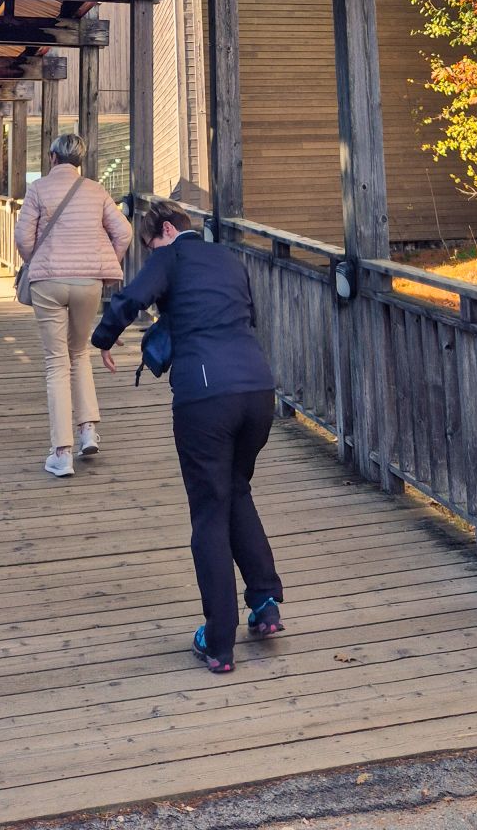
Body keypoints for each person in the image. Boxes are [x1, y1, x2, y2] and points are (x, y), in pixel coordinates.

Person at [90, 201, 284, 674]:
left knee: (209, 512)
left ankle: (218, 641)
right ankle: (264, 603)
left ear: (168, 230)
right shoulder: (231, 259)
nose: (152, 251)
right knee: (236, 490)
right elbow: (247, 316)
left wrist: (102, 337)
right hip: (257, 389)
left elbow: (131, 298)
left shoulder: (171, 256)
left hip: (204, 398)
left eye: (151, 243)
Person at [15, 133, 132, 478]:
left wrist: (36, 262)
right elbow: (123, 233)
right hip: (88, 283)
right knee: (79, 352)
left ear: (52, 157)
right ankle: (87, 432)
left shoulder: (38, 190)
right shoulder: (96, 191)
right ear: (80, 160)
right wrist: (103, 263)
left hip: (48, 282)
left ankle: (61, 453)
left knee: (56, 362)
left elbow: (23, 237)